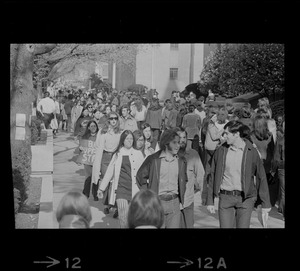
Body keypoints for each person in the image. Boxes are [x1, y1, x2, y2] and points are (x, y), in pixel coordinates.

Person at [206, 121, 271, 228]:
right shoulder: (221, 151)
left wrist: (265, 203)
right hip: (225, 198)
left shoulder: (251, 151)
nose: (224, 136)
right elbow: (212, 175)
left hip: (245, 200)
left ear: (236, 134)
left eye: (227, 133)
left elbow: (261, 176)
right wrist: (210, 201)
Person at [136, 129, 188, 228]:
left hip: (174, 203)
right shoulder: (153, 159)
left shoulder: (181, 161)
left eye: (179, 143)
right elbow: (140, 176)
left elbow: (184, 179)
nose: (178, 146)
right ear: (166, 143)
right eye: (174, 143)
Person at [97, 130, 145, 228]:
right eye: (127, 139)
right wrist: (101, 188)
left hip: (135, 190)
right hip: (121, 189)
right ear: (122, 140)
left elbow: (144, 172)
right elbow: (109, 172)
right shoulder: (117, 154)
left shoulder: (138, 154)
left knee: (134, 218)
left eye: (131, 139)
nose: (129, 141)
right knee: (123, 217)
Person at [92, 112, 122, 217]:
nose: (113, 120)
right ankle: (106, 205)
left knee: (116, 181)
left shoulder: (120, 132)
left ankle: (115, 205)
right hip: (105, 157)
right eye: (111, 118)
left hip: (115, 157)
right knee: (106, 181)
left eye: (115, 118)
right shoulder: (102, 131)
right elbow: (97, 146)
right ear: (108, 120)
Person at [175, 127, 205, 228]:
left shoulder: (193, 154)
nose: (182, 140)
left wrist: (205, 195)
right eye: (180, 137)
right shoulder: (169, 154)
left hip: (188, 200)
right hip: (173, 202)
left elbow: (201, 175)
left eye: (184, 137)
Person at [79, 120, 99, 201]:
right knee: (88, 177)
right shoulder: (85, 137)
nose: (93, 128)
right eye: (91, 126)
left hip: (96, 160)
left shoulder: (99, 136)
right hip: (87, 160)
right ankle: (86, 193)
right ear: (88, 128)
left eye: (94, 126)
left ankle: (95, 194)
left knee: (95, 177)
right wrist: (81, 148)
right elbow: (81, 147)